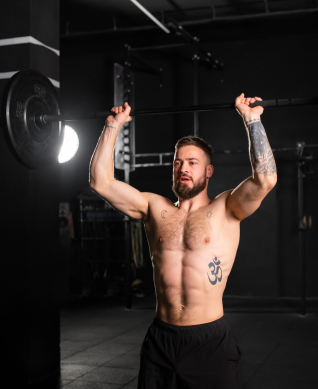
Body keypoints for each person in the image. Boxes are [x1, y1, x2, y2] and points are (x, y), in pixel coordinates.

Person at [89, 93, 277, 388]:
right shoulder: (154, 207)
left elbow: (265, 179)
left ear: (208, 171)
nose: (183, 168)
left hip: (209, 341)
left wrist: (252, 120)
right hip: (161, 340)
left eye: (192, 162)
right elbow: (101, 182)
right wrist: (112, 125)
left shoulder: (226, 208)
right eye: (178, 163)